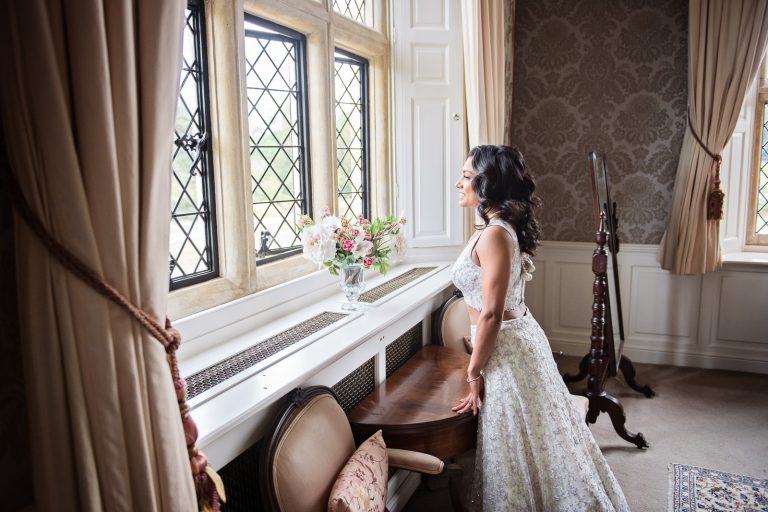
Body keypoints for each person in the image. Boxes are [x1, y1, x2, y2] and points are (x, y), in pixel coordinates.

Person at [449, 145, 630, 511]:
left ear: (489, 183)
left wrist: (473, 371)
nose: (459, 183)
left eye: (467, 176)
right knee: (532, 442)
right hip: (514, 343)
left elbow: (490, 314)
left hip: (509, 350)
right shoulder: (496, 229)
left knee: (530, 443)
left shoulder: (496, 234)